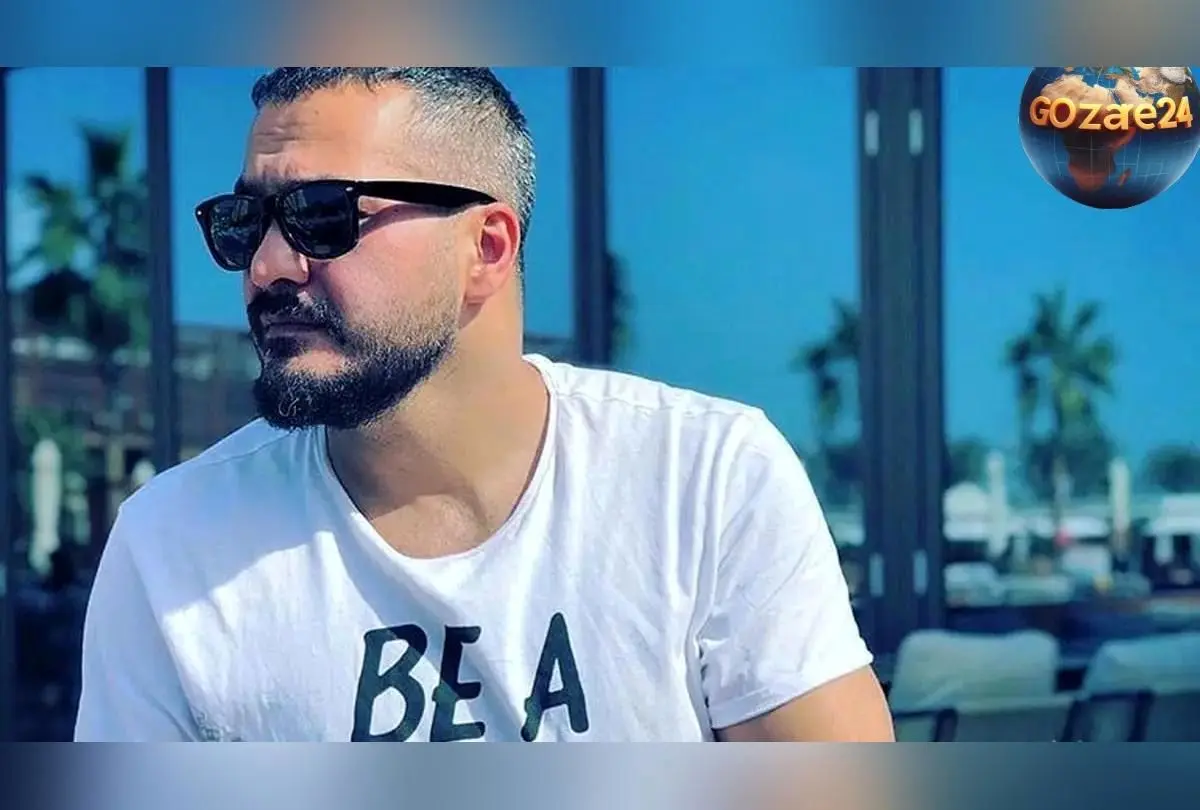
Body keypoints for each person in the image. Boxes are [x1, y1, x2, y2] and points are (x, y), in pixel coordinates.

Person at [74, 67, 893, 742]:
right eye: (244, 224)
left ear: (487, 248)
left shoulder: (703, 479)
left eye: (322, 217)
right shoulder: (174, 545)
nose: (268, 267)